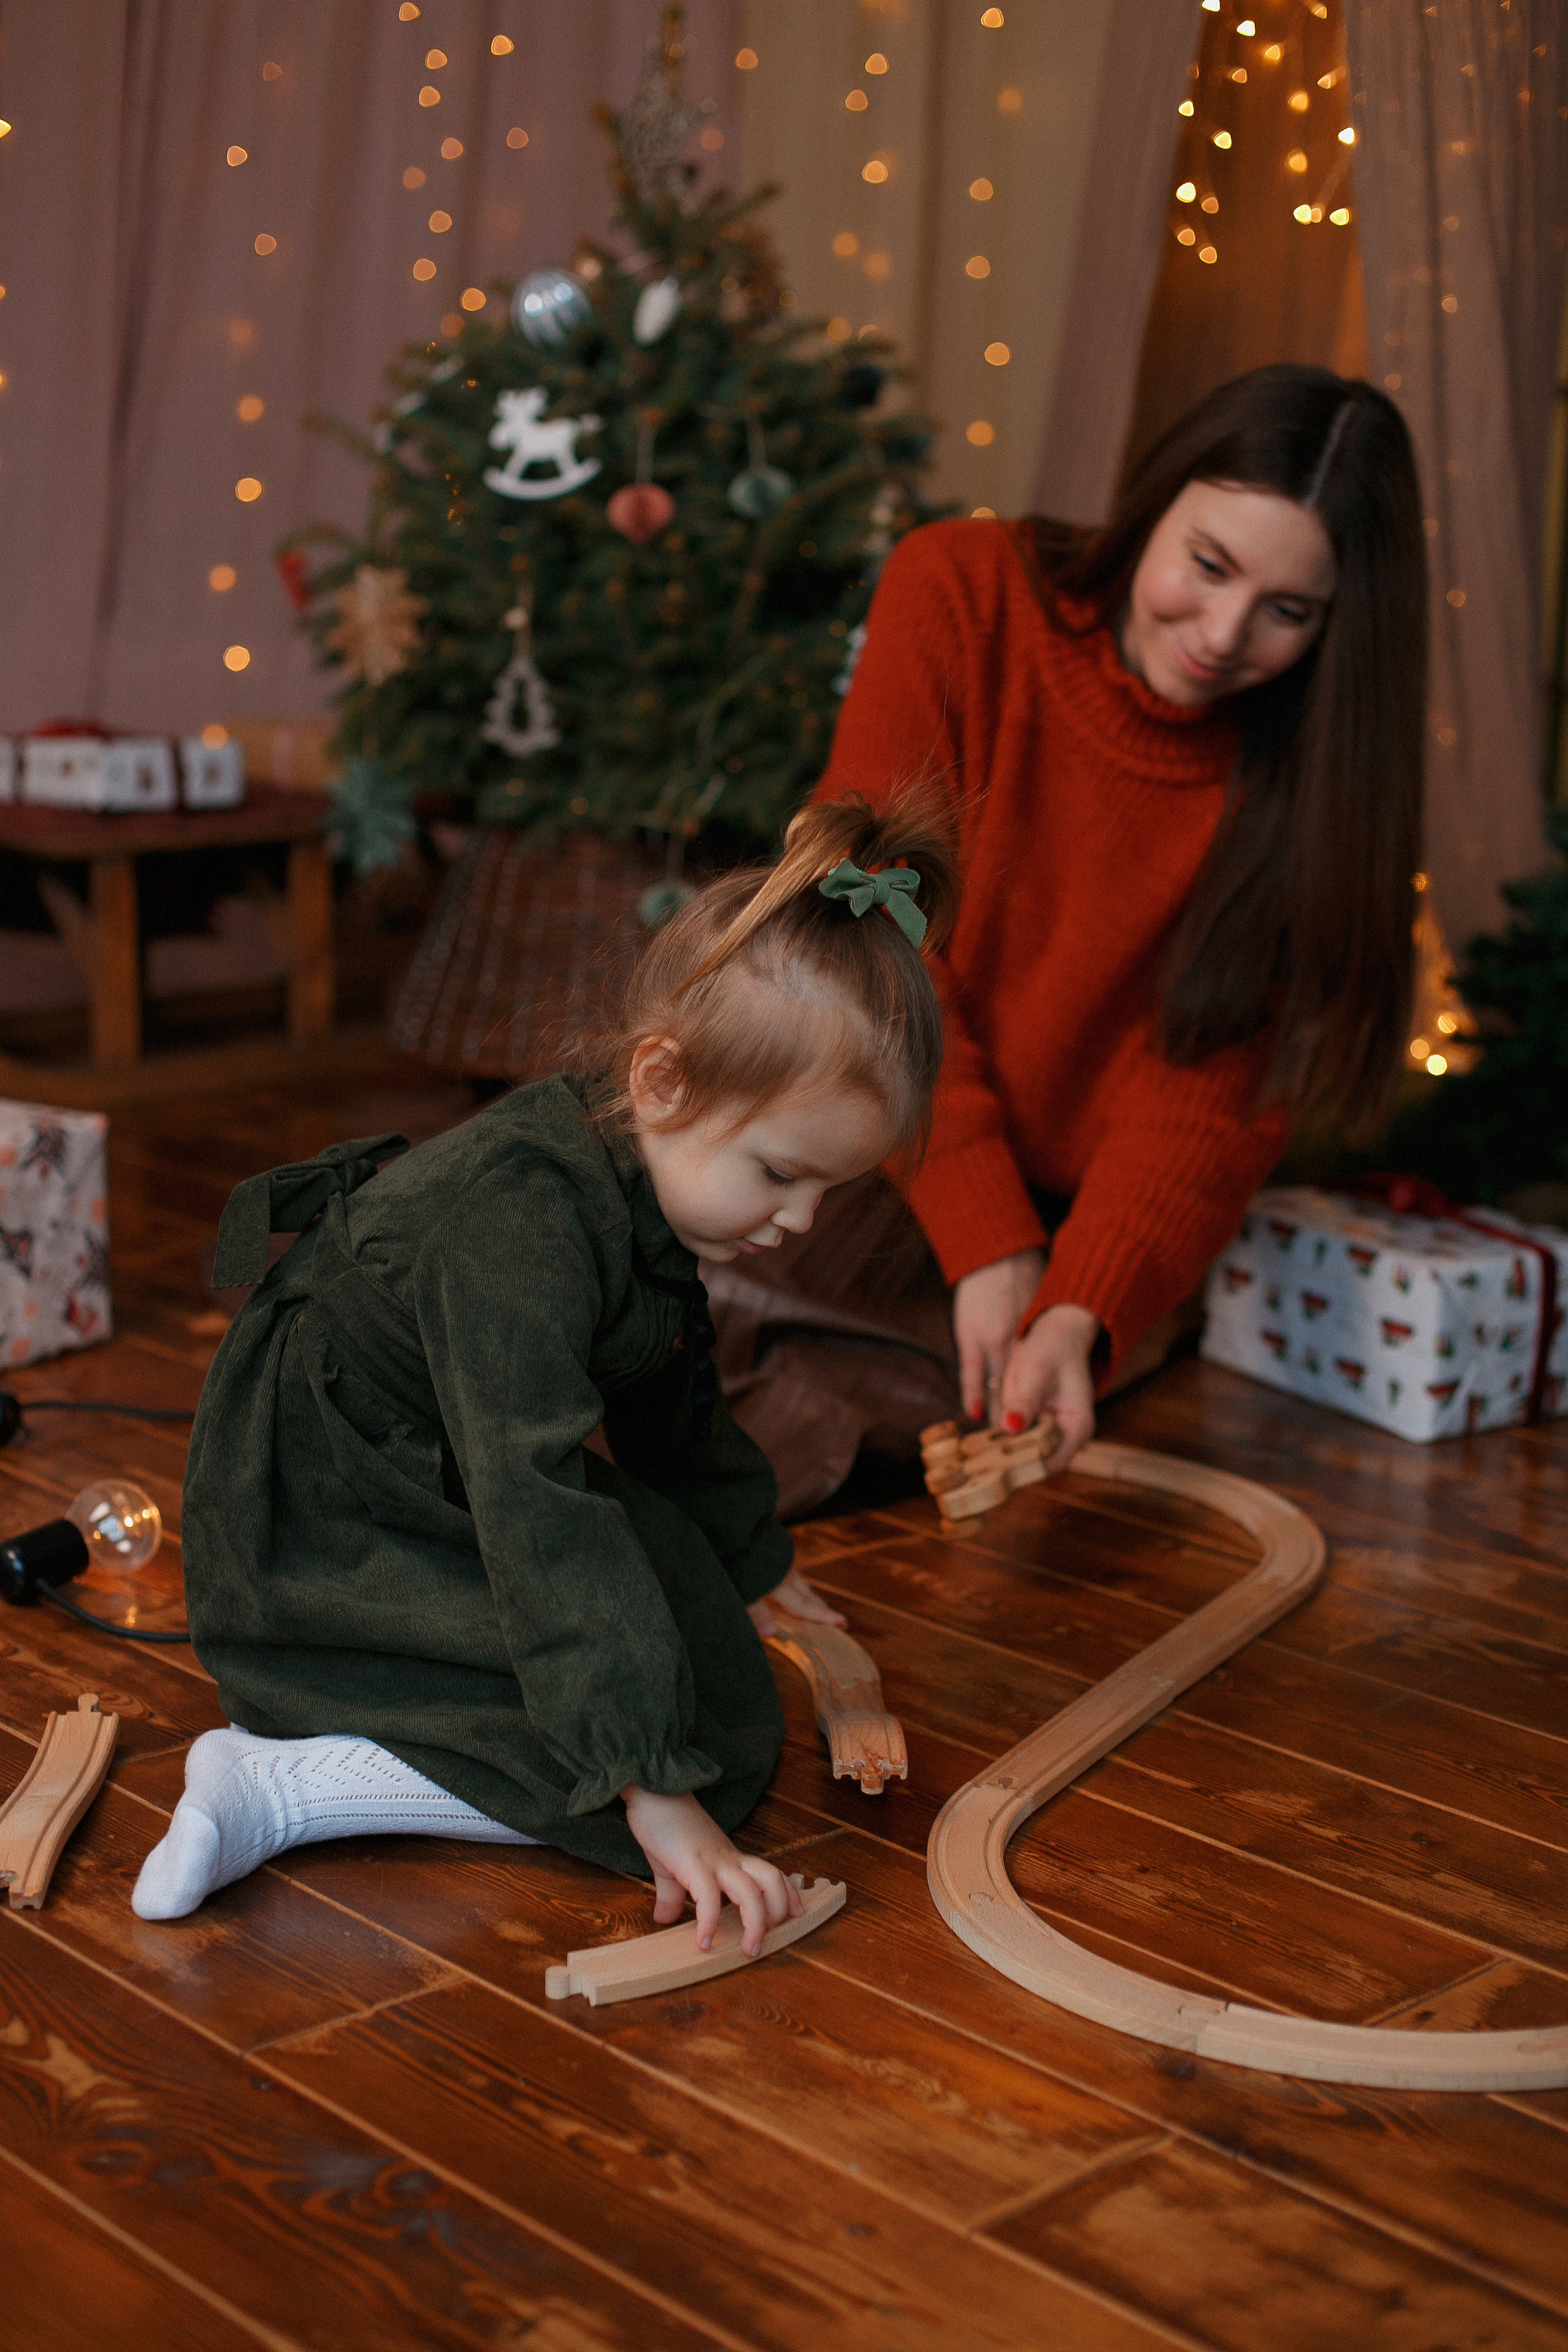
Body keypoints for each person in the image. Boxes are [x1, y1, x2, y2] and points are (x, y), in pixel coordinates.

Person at [132, 794, 958, 1950]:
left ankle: (346, 1770)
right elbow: (536, 1506)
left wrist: (752, 1563)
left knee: (704, 1676)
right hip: (335, 1498)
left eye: (829, 1189)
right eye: (780, 1175)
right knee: (657, 1749)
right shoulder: (516, 1223)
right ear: (663, 1082)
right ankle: (283, 1787)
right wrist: (646, 1785)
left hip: (448, 1460)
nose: (799, 1221)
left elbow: (677, 1403)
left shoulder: (652, 1181)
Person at [704, 364, 1426, 1512]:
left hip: (1086, 1219)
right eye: (1209, 564)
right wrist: (989, 1242)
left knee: (912, 1422)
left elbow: (1208, 1093)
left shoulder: (1314, 776)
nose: (1224, 634)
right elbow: (874, 940)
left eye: (1290, 612)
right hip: (879, 1114)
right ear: (1156, 499)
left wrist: (1080, 1303)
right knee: (664, 1314)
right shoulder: (961, 587)